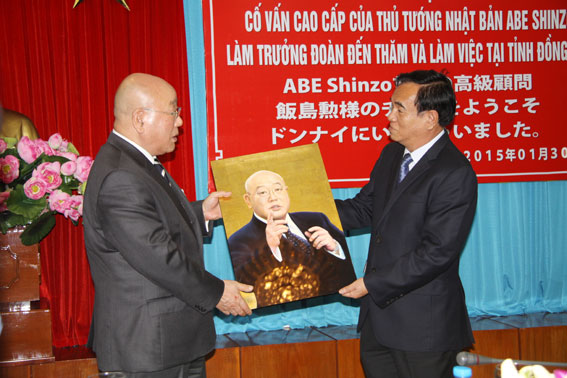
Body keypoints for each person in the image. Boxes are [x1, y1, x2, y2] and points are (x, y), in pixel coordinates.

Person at [83, 73, 252, 377]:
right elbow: (160, 258)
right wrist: (218, 292)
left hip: (171, 344)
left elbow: (151, 224)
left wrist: (201, 212)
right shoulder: (120, 176)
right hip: (147, 351)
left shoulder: (136, 163)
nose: (180, 123)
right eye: (173, 112)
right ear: (140, 118)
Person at [336, 70, 477, 378]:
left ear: (430, 118)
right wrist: (295, 212)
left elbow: (437, 253)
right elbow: (363, 210)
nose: (388, 116)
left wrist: (371, 284)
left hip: (424, 330)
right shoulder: (392, 154)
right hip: (379, 322)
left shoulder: (454, 172)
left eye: (398, 108)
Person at [228, 170, 356, 307]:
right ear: (248, 200)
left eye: (278, 189)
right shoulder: (238, 240)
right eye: (263, 192)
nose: (273, 197)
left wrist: (335, 248)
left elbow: (348, 272)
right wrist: (270, 249)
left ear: (286, 191)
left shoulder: (317, 219)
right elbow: (250, 288)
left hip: (333, 305)